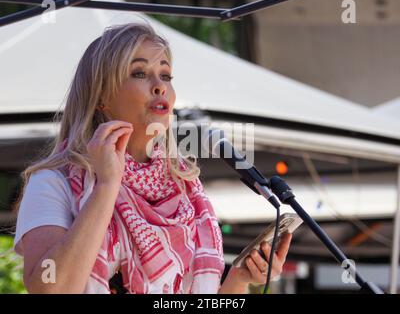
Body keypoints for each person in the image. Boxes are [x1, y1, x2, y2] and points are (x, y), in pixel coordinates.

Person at [13, 22, 292, 294]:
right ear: (101, 95)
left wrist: (240, 279)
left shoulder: (184, 187)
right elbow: (51, 289)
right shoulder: (53, 182)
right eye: (139, 73)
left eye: (166, 75)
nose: (159, 86)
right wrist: (108, 185)